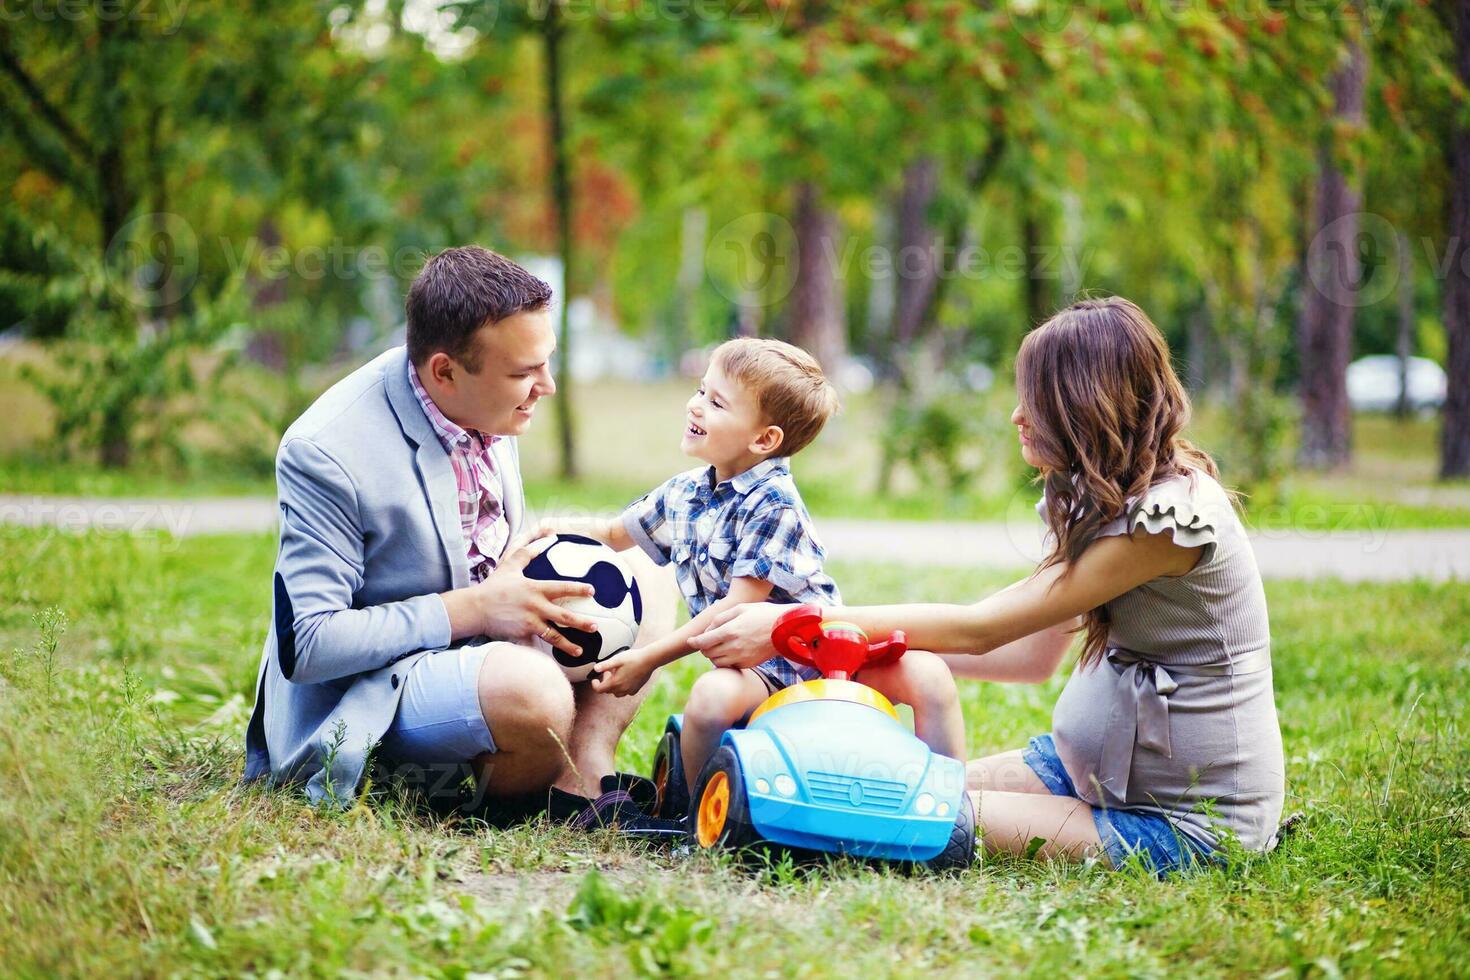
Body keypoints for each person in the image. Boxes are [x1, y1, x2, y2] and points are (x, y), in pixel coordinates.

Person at [688, 297, 1285, 874]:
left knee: (906, 813)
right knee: (884, 786)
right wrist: (853, 653)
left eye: (1038, 402)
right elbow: (1027, 657)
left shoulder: (1168, 523)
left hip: (1179, 821)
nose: (1017, 416)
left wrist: (806, 623)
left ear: (1086, 406)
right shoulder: (1101, 497)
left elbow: (983, 629)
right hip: (1086, 771)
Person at [242, 245, 675, 825]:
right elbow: (311, 646)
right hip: (377, 688)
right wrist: (476, 609)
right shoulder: (325, 451)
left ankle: (583, 773)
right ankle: (493, 783)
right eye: (524, 372)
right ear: (444, 370)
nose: (545, 386)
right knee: (535, 693)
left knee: (643, 565)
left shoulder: (485, 398)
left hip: (482, 649)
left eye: (546, 362)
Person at [544, 338, 966, 793]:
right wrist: (549, 528)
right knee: (708, 700)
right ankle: (694, 819)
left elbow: (735, 610)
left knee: (929, 675)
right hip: (760, 676)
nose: (696, 406)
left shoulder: (774, 504)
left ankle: (946, 804)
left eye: (717, 402)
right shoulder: (684, 493)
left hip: (818, 666)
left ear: (764, 439)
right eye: (701, 391)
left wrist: (647, 658)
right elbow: (613, 533)